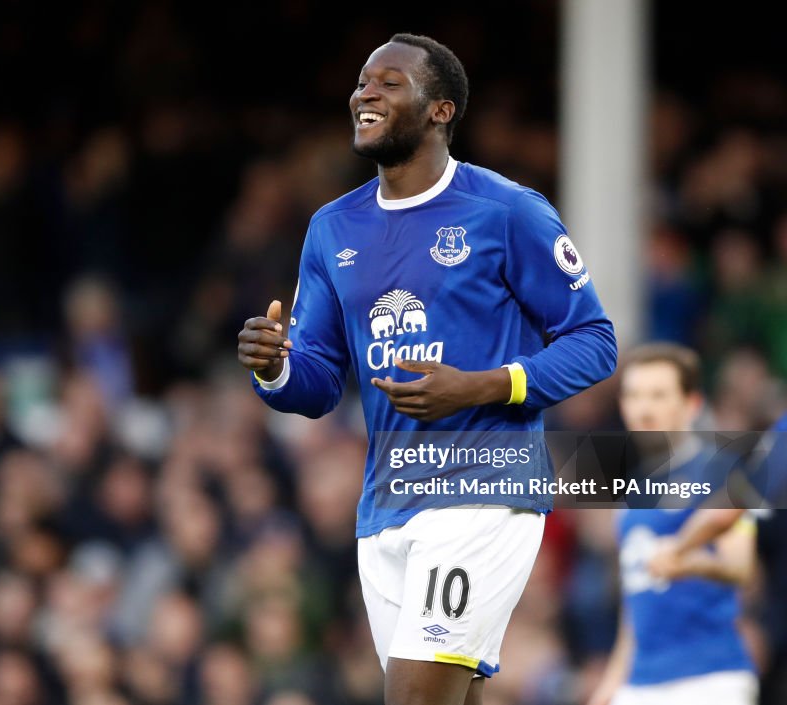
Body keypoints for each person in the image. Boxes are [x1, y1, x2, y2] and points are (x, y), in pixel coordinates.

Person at [236, 34, 617, 705]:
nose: (365, 94)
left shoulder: (506, 211)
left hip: (484, 490)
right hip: (386, 505)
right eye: (361, 82)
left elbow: (595, 339)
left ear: (441, 110)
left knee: (412, 697)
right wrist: (275, 368)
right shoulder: (332, 228)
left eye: (388, 82)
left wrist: (486, 385)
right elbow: (319, 381)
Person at [590, 343, 758, 705]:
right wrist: (611, 684)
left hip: (709, 676)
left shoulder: (721, 471)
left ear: (692, 403)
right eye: (633, 396)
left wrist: (690, 562)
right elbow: (634, 600)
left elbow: (741, 568)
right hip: (641, 681)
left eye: (658, 395)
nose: (644, 409)